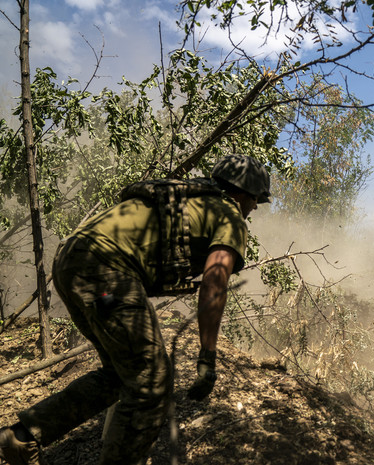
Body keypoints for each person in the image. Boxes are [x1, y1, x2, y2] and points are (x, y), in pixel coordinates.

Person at [0, 154, 270, 465]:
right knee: (151, 379)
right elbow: (214, 283)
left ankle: (21, 438)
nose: (253, 210)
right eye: (255, 201)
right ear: (243, 194)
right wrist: (207, 357)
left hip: (73, 264)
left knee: (121, 374)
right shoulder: (228, 213)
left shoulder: (191, 198)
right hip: (105, 272)